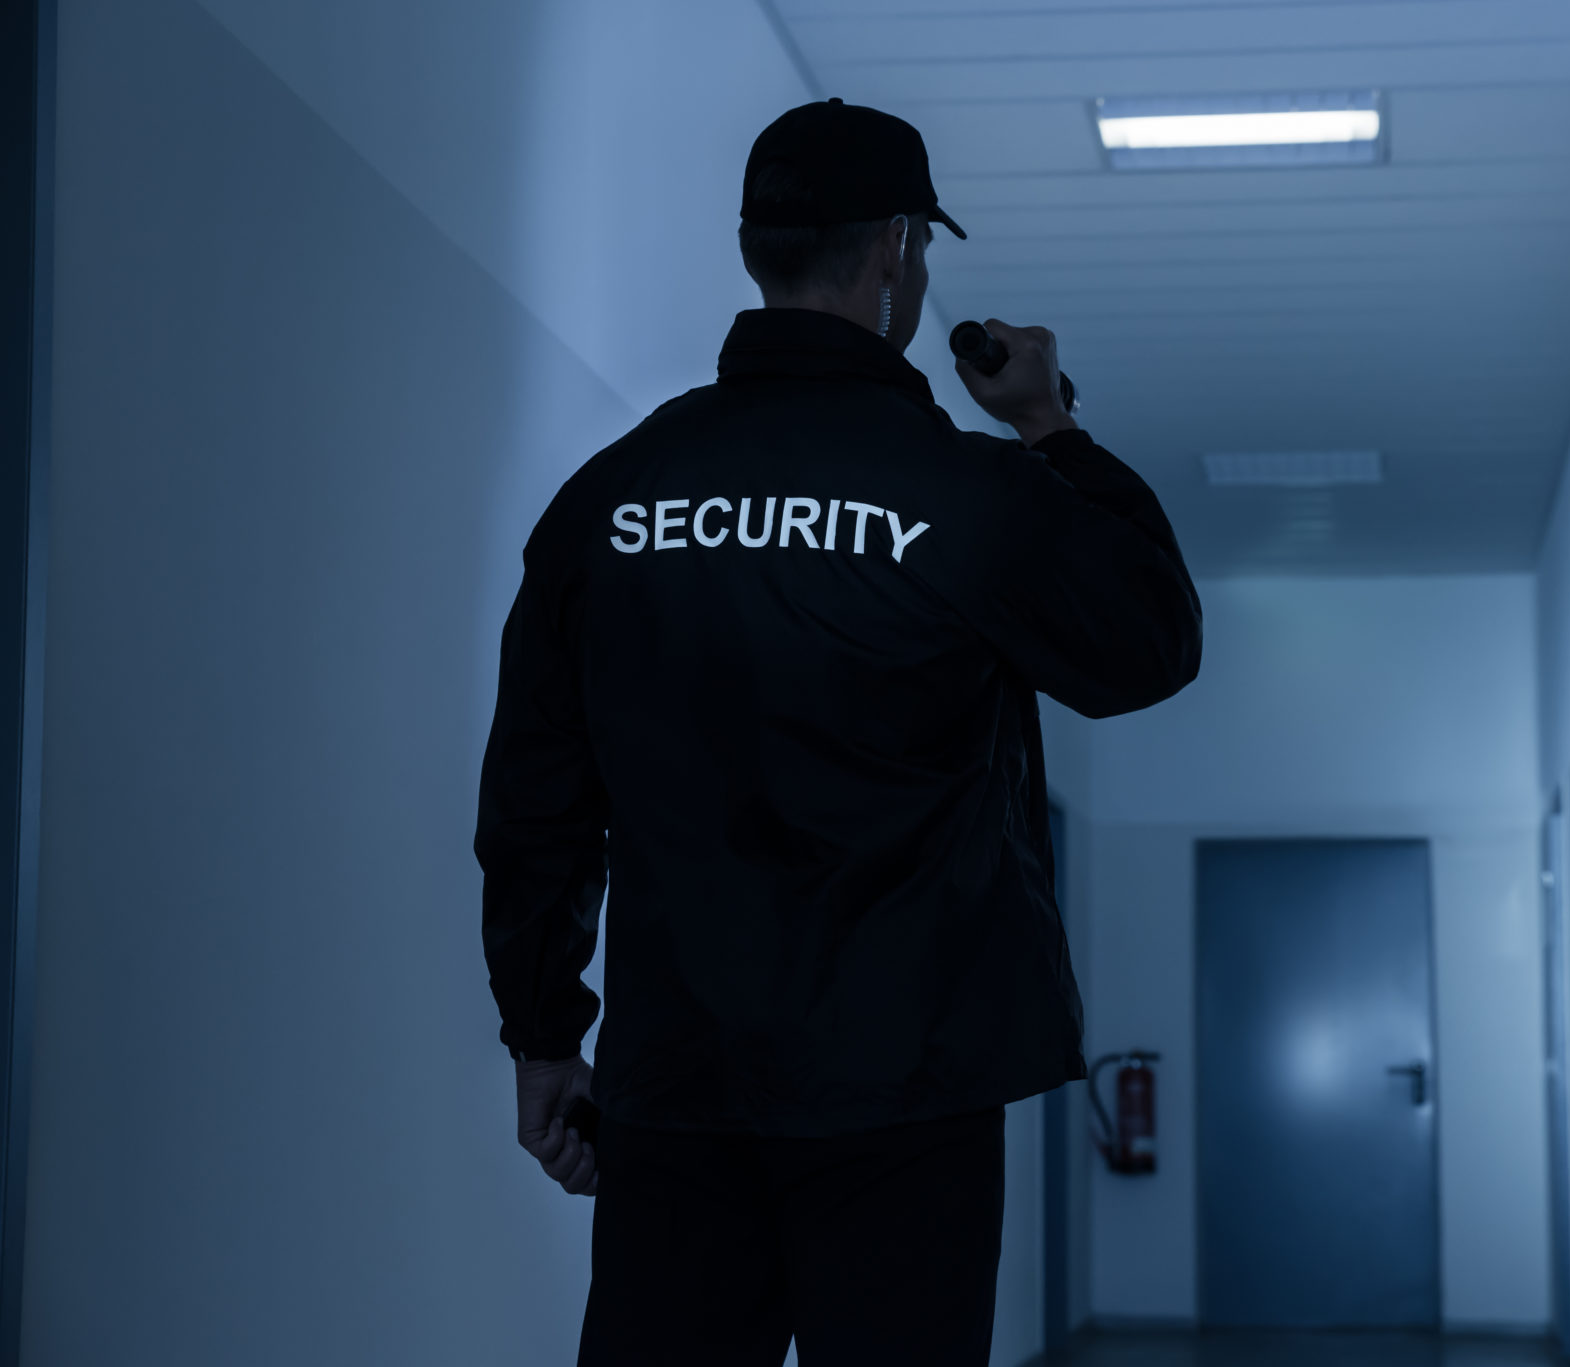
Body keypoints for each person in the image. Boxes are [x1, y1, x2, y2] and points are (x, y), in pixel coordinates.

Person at [475, 97, 1202, 1366]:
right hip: (906, 1090)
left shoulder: (607, 501)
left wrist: (543, 1034)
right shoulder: (968, 494)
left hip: (678, 1083)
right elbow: (1145, 644)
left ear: (757, 249)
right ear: (896, 252)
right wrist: (1049, 428)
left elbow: (537, 799)